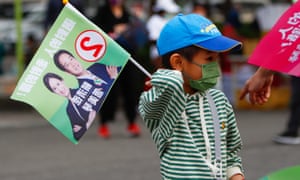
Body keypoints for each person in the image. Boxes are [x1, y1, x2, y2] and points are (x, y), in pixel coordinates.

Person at [138, 14, 245, 180]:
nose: (215, 67)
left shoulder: (219, 101)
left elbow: (230, 153)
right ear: (178, 63)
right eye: (209, 59)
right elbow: (161, 97)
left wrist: (236, 175)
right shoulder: (159, 101)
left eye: (217, 59)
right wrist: (166, 77)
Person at [92, 0, 141, 138]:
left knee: (130, 90)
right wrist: (113, 30)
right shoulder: (102, 12)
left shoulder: (127, 13)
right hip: (109, 59)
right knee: (108, 92)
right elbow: (96, 31)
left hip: (127, 57)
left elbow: (135, 32)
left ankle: (132, 122)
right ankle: (104, 124)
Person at [53, 49, 120, 113]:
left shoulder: (96, 66)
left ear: (75, 58)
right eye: (67, 65)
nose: (73, 64)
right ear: (67, 72)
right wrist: (113, 78)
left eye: (71, 59)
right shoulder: (84, 90)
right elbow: (106, 99)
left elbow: (119, 69)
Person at [43, 72, 95, 141]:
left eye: (58, 84)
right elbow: (76, 136)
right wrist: (87, 124)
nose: (60, 89)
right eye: (55, 89)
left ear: (62, 81)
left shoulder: (83, 91)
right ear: (54, 92)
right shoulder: (69, 109)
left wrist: (82, 127)